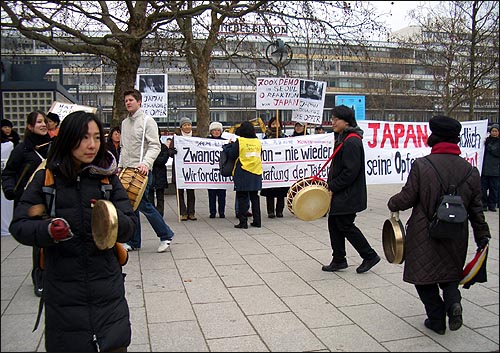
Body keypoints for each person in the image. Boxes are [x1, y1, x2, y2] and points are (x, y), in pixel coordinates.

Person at [9, 110, 137, 352]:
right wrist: (48, 230)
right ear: (68, 138)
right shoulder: (46, 178)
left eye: (97, 137)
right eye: (84, 137)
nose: (92, 145)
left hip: (107, 289)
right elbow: (19, 226)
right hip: (63, 291)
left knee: (115, 345)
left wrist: (108, 217)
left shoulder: (108, 178)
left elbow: (130, 227)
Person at [387, 115, 491, 335]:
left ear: (434, 138)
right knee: (450, 273)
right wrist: (482, 235)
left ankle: (436, 320)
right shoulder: (470, 170)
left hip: (425, 230)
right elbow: (476, 209)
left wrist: (392, 202)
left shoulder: (422, 165)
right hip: (457, 231)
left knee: (423, 277)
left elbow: (407, 198)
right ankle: (453, 303)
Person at [322, 105, 380, 274]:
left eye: (335, 119)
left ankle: (369, 255)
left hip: (348, 194)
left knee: (345, 225)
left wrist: (332, 185)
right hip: (342, 193)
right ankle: (339, 259)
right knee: (334, 224)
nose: (332, 122)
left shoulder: (352, 141)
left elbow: (350, 172)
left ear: (346, 121)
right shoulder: (343, 138)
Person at [2, 110, 52, 297]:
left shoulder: (53, 147)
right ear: (30, 126)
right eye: (39, 122)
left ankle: (51, 274)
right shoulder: (21, 150)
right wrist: (10, 190)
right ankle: (38, 276)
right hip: (30, 202)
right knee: (38, 240)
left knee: (50, 237)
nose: (43, 125)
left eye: (44, 122)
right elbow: (8, 174)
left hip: (50, 198)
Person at [119, 88, 175, 253]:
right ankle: (134, 241)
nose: (128, 103)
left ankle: (166, 235)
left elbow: (155, 145)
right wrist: (121, 166)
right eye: (126, 100)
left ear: (139, 102)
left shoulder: (147, 121)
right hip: (127, 170)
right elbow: (124, 148)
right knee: (131, 206)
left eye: (131, 100)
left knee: (143, 204)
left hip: (142, 170)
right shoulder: (124, 123)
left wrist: (146, 163)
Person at [226, 121, 262, 229]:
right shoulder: (257, 142)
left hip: (243, 172)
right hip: (256, 172)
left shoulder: (240, 141)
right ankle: (257, 221)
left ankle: (243, 222)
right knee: (254, 197)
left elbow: (232, 155)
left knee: (242, 197)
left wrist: (229, 145)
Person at [168, 117, 197, 221]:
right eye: (185, 125)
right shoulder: (176, 138)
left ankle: (191, 212)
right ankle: (183, 213)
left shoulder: (195, 137)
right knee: (179, 192)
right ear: (181, 127)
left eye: (189, 125)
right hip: (180, 168)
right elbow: (170, 152)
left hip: (191, 169)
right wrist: (173, 152)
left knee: (191, 192)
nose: (187, 127)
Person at [261, 117, 288, 218]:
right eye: (273, 124)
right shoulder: (266, 138)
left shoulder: (284, 138)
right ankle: (270, 211)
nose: (275, 126)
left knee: (281, 193)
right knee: (270, 192)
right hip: (270, 169)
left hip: (281, 168)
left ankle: (280, 210)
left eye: (277, 124)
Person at [148, 128, 169, 217]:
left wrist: (152, 158)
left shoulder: (163, 147)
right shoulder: (147, 148)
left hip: (160, 174)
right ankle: (152, 214)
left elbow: (163, 160)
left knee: (160, 196)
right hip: (151, 174)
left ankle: (160, 214)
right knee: (150, 196)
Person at [207, 121, 227, 218]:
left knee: (222, 194)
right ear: (211, 131)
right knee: (211, 194)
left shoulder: (225, 141)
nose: (216, 132)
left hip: (221, 172)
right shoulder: (206, 141)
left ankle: (222, 212)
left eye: (218, 130)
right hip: (210, 172)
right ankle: (212, 212)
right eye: (214, 130)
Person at [481, 123, 499, 212]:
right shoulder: (485, 141)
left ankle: (492, 204)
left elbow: (496, 152)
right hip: (484, 169)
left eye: (496, 131)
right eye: (492, 131)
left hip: (495, 170)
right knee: (483, 189)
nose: (494, 133)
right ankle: (483, 204)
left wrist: (488, 145)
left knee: (493, 189)